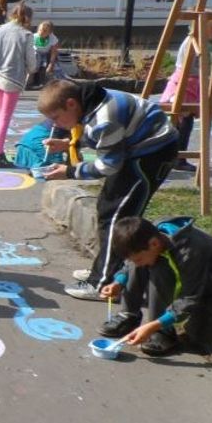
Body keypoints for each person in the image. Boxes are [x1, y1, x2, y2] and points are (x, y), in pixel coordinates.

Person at [37, 79, 178, 300]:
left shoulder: (104, 118)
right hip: (134, 151)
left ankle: (103, 282)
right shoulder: (91, 101)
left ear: (72, 104)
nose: (56, 124)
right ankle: (104, 268)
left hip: (150, 156)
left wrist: (70, 172)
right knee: (106, 209)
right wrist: (69, 144)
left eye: (56, 117)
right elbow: (103, 139)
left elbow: (108, 165)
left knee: (117, 217)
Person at [98, 216, 212, 357]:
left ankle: (163, 331)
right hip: (170, 262)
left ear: (154, 244)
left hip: (207, 278)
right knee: (141, 263)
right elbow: (131, 263)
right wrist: (119, 282)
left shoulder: (189, 253)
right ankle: (129, 315)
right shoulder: (148, 237)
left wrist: (156, 324)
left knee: (159, 268)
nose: (136, 263)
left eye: (138, 258)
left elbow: (189, 297)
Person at [0, 3, 36, 168]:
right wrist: (32, 69)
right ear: (27, 18)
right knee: (5, 117)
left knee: (0, 115)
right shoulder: (26, 35)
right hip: (13, 79)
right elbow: (31, 62)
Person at [159, 24, 200, 173]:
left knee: (181, 122)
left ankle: (173, 157)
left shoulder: (197, 41)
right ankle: (177, 158)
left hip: (187, 83)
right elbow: (187, 67)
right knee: (182, 122)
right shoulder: (193, 42)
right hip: (183, 84)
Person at [31, 21, 61, 87]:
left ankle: (42, 82)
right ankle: (31, 81)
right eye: (40, 30)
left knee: (44, 66)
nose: (41, 32)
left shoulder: (52, 38)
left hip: (46, 54)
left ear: (50, 33)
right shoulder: (34, 36)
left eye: (44, 31)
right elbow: (29, 48)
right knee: (35, 65)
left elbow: (54, 52)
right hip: (36, 53)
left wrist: (51, 63)